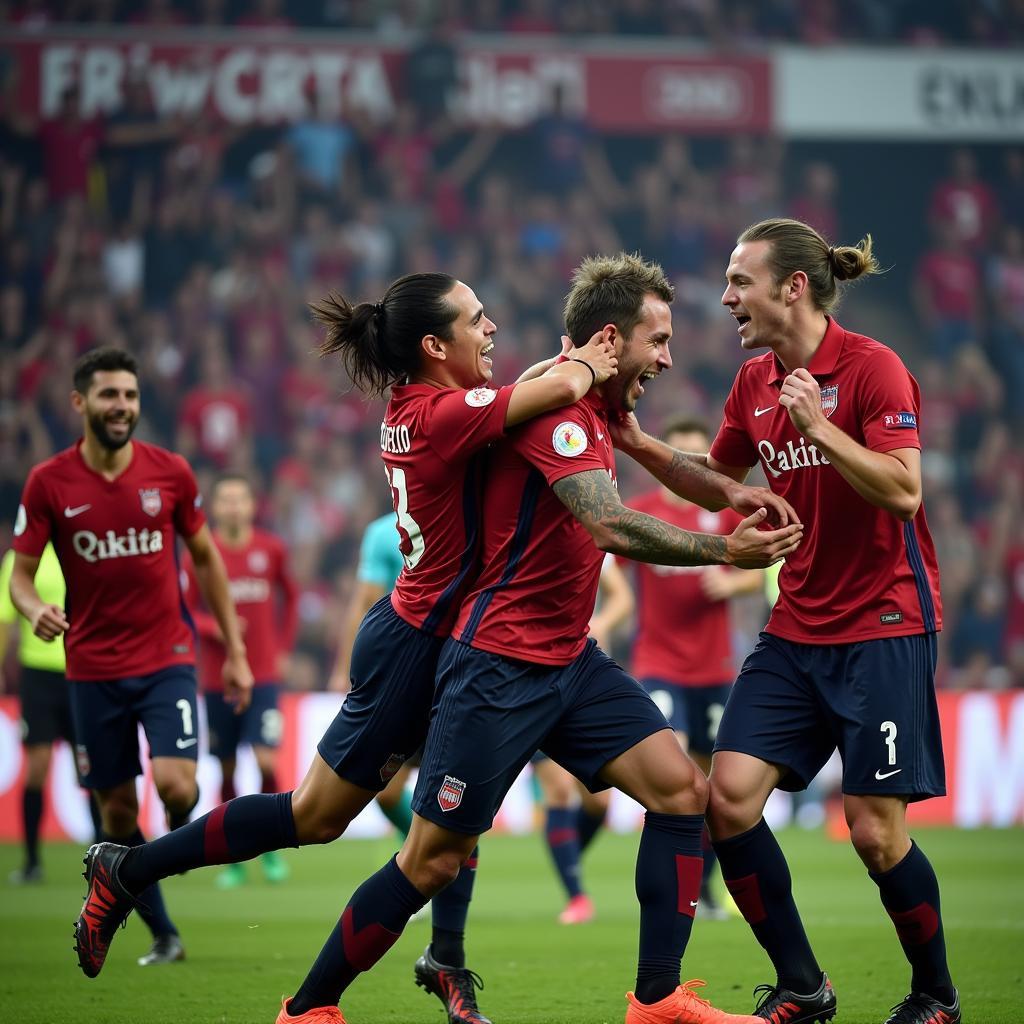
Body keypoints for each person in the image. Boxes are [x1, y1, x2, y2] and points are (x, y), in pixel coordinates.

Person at [265, 252, 804, 1024]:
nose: (669, 357)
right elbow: (610, 522)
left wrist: (731, 495)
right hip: (499, 663)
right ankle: (309, 1007)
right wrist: (726, 549)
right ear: (612, 340)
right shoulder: (555, 410)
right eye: (658, 340)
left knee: (683, 792)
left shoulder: (592, 406)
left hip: (568, 659)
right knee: (429, 860)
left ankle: (657, 1000)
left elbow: (656, 456)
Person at [70, 272, 618, 1024]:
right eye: (478, 318)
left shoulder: (430, 406)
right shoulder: (438, 415)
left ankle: (442, 963)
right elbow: (549, 393)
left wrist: (560, 369)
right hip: (417, 645)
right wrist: (590, 357)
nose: (492, 329)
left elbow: (522, 392)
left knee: (452, 817)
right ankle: (133, 869)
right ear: (433, 344)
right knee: (319, 817)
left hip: (445, 635)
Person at [613, 219, 958, 1024]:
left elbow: (905, 493)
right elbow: (718, 482)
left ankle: (936, 996)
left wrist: (821, 430)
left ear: (791, 287)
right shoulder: (755, 382)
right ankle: (805, 986)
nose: (727, 297)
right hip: (798, 624)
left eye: (740, 281)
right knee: (725, 801)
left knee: (874, 836)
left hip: (884, 623)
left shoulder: (875, 370)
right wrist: (635, 441)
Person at [9, 346, 253, 970]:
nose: (121, 407)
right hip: (90, 669)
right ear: (80, 403)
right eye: (109, 395)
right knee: (116, 812)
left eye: (130, 396)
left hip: (167, 655)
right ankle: (164, 932)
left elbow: (205, 559)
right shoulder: (49, 483)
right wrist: (33, 607)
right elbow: (22, 575)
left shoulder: (169, 472)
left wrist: (235, 651)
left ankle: (172, 842)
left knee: (179, 785)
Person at [627, 417, 764, 921]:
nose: (684, 466)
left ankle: (700, 888)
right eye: (677, 456)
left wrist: (734, 585)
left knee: (706, 787)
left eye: (694, 458)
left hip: (714, 669)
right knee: (672, 768)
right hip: (657, 663)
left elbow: (764, 567)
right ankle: (660, 886)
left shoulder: (724, 517)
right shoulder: (643, 512)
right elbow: (607, 565)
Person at [183, 472, 298, 889]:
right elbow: (186, 609)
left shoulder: (271, 549)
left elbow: (294, 595)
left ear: (251, 506)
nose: (233, 506)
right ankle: (232, 857)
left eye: (240, 499)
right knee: (227, 766)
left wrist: (283, 646)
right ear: (215, 508)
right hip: (217, 679)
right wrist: (216, 628)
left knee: (266, 760)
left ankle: (271, 850)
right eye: (225, 499)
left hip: (264, 674)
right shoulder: (200, 553)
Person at [533, 554, 633, 925]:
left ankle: (566, 857)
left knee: (599, 804)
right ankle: (576, 896)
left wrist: (602, 622)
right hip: (534, 675)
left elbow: (623, 597)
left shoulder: (589, 537)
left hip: (584, 678)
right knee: (557, 789)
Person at [0, 542, 102, 884]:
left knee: (89, 771)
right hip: (38, 676)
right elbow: (5, 616)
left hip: (83, 673)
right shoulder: (21, 557)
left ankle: (102, 861)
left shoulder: (84, 545)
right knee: (37, 768)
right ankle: (31, 861)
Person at [327, 511, 414, 837]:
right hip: (404, 676)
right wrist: (343, 668)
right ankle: (419, 849)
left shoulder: (459, 517)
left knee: (449, 791)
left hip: (452, 670)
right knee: (388, 793)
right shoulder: (382, 533)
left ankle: (441, 862)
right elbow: (364, 601)